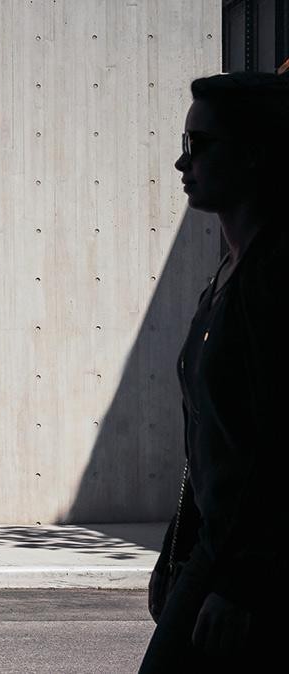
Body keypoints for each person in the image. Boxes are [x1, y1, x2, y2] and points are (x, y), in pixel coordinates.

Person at [143, 72, 288, 670]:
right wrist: (176, 552)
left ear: (254, 154)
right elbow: (211, 440)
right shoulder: (226, 275)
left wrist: (242, 584)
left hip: (253, 564)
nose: (182, 160)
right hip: (213, 551)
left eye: (201, 145)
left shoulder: (275, 275)